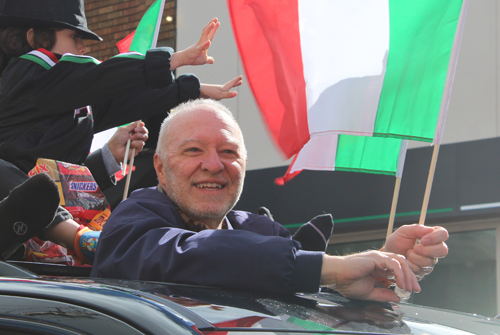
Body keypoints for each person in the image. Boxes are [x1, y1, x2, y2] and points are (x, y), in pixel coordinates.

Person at [92, 99, 449, 302]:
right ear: (160, 166)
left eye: (228, 152)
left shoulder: (264, 231)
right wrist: (330, 269)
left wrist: (384, 269)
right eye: (193, 150)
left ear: (244, 165)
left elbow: (305, 305)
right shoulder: (131, 225)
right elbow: (183, 255)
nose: (214, 165)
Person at [0, 0, 241, 262]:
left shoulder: (73, 100)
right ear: (34, 39)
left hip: (52, 232)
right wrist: (170, 60)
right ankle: (76, 238)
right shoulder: (29, 73)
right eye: (74, 37)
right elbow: (100, 76)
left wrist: (190, 90)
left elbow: (122, 102)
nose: (81, 47)